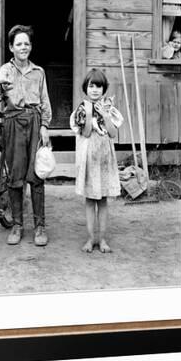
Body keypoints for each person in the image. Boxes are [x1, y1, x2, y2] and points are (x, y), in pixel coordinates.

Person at [0, 25, 52, 246]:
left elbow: (45, 101)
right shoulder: (5, 70)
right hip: (13, 123)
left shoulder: (39, 72)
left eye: (26, 43)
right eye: (19, 43)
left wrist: (45, 126)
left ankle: (39, 227)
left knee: (36, 175)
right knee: (15, 176)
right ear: (11, 47)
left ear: (31, 46)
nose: (23, 47)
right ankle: (17, 225)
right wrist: (1, 90)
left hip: (35, 121)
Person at [70, 68, 124, 253]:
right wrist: (90, 114)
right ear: (86, 88)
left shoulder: (109, 108)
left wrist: (105, 114)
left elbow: (113, 132)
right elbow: (85, 132)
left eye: (98, 87)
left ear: (104, 89)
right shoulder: (81, 109)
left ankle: (102, 240)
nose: (95, 90)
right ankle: (90, 238)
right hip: (89, 158)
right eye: (91, 86)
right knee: (90, 200)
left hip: (104, 158)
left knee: (102, 201)